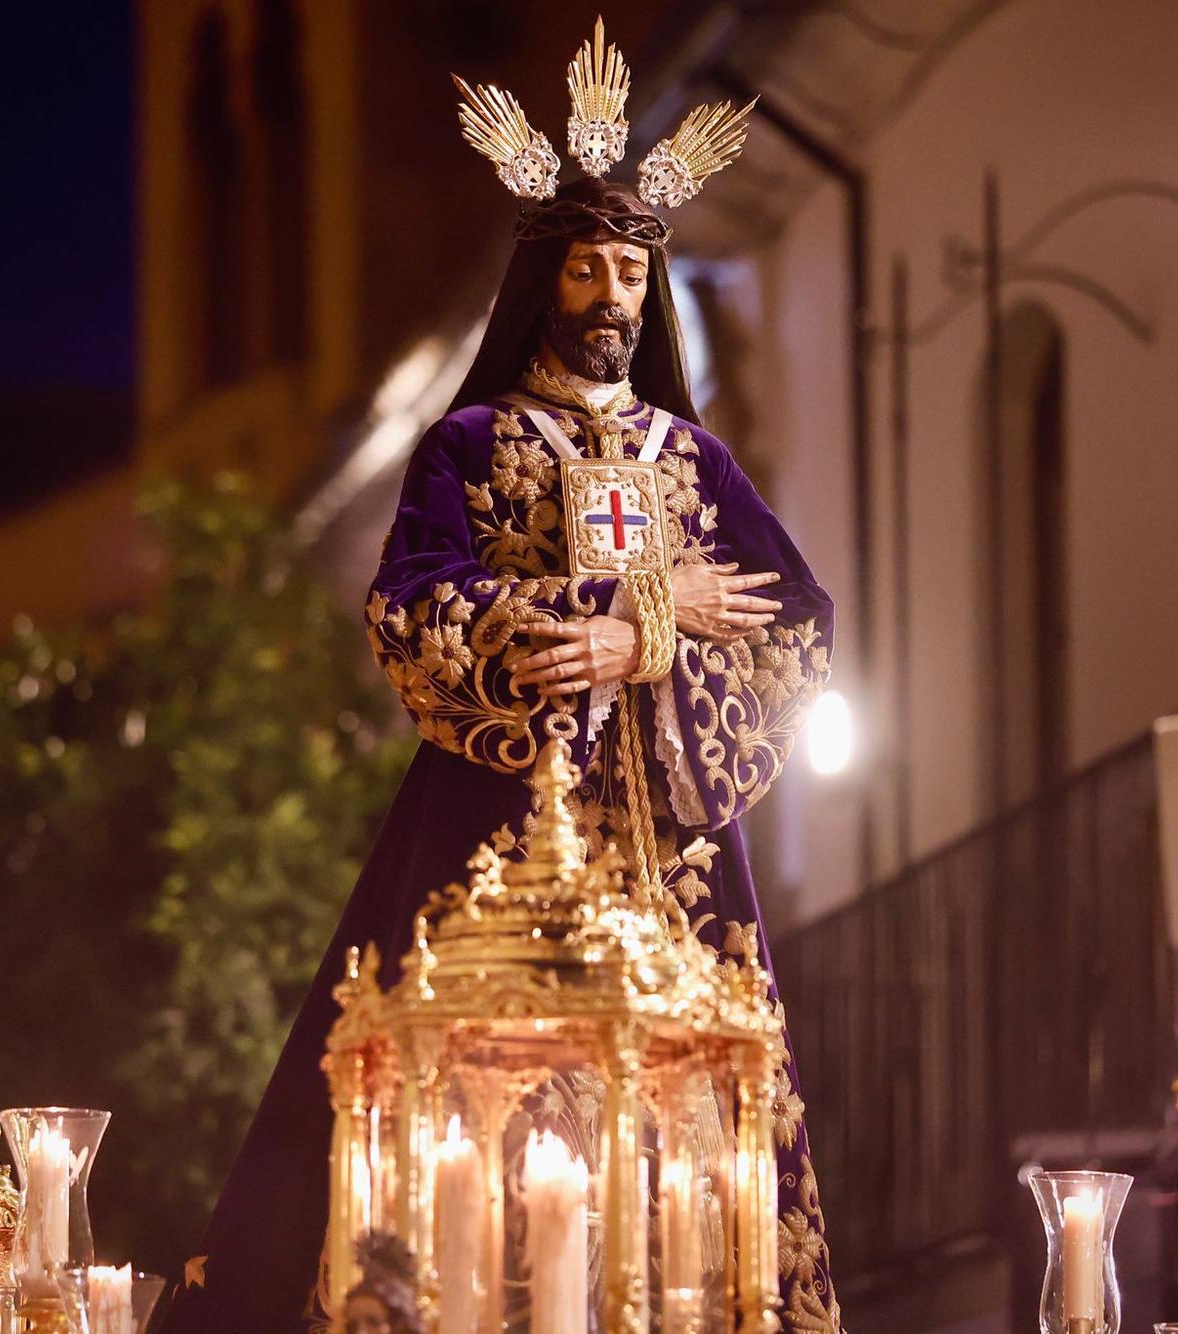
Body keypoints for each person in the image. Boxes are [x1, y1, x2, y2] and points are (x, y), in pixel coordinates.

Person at [164, 22, 842, 1332]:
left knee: (697, 1170)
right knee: (457, 1135)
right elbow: (415, 612)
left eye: (633, 272)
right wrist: (623, 610)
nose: (615, 298)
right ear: (544, 283)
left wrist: (643, 637)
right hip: (495, 842)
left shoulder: (692, 465)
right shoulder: (468, 448)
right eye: (587, 269)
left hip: (677, 873)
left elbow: (795, 628)